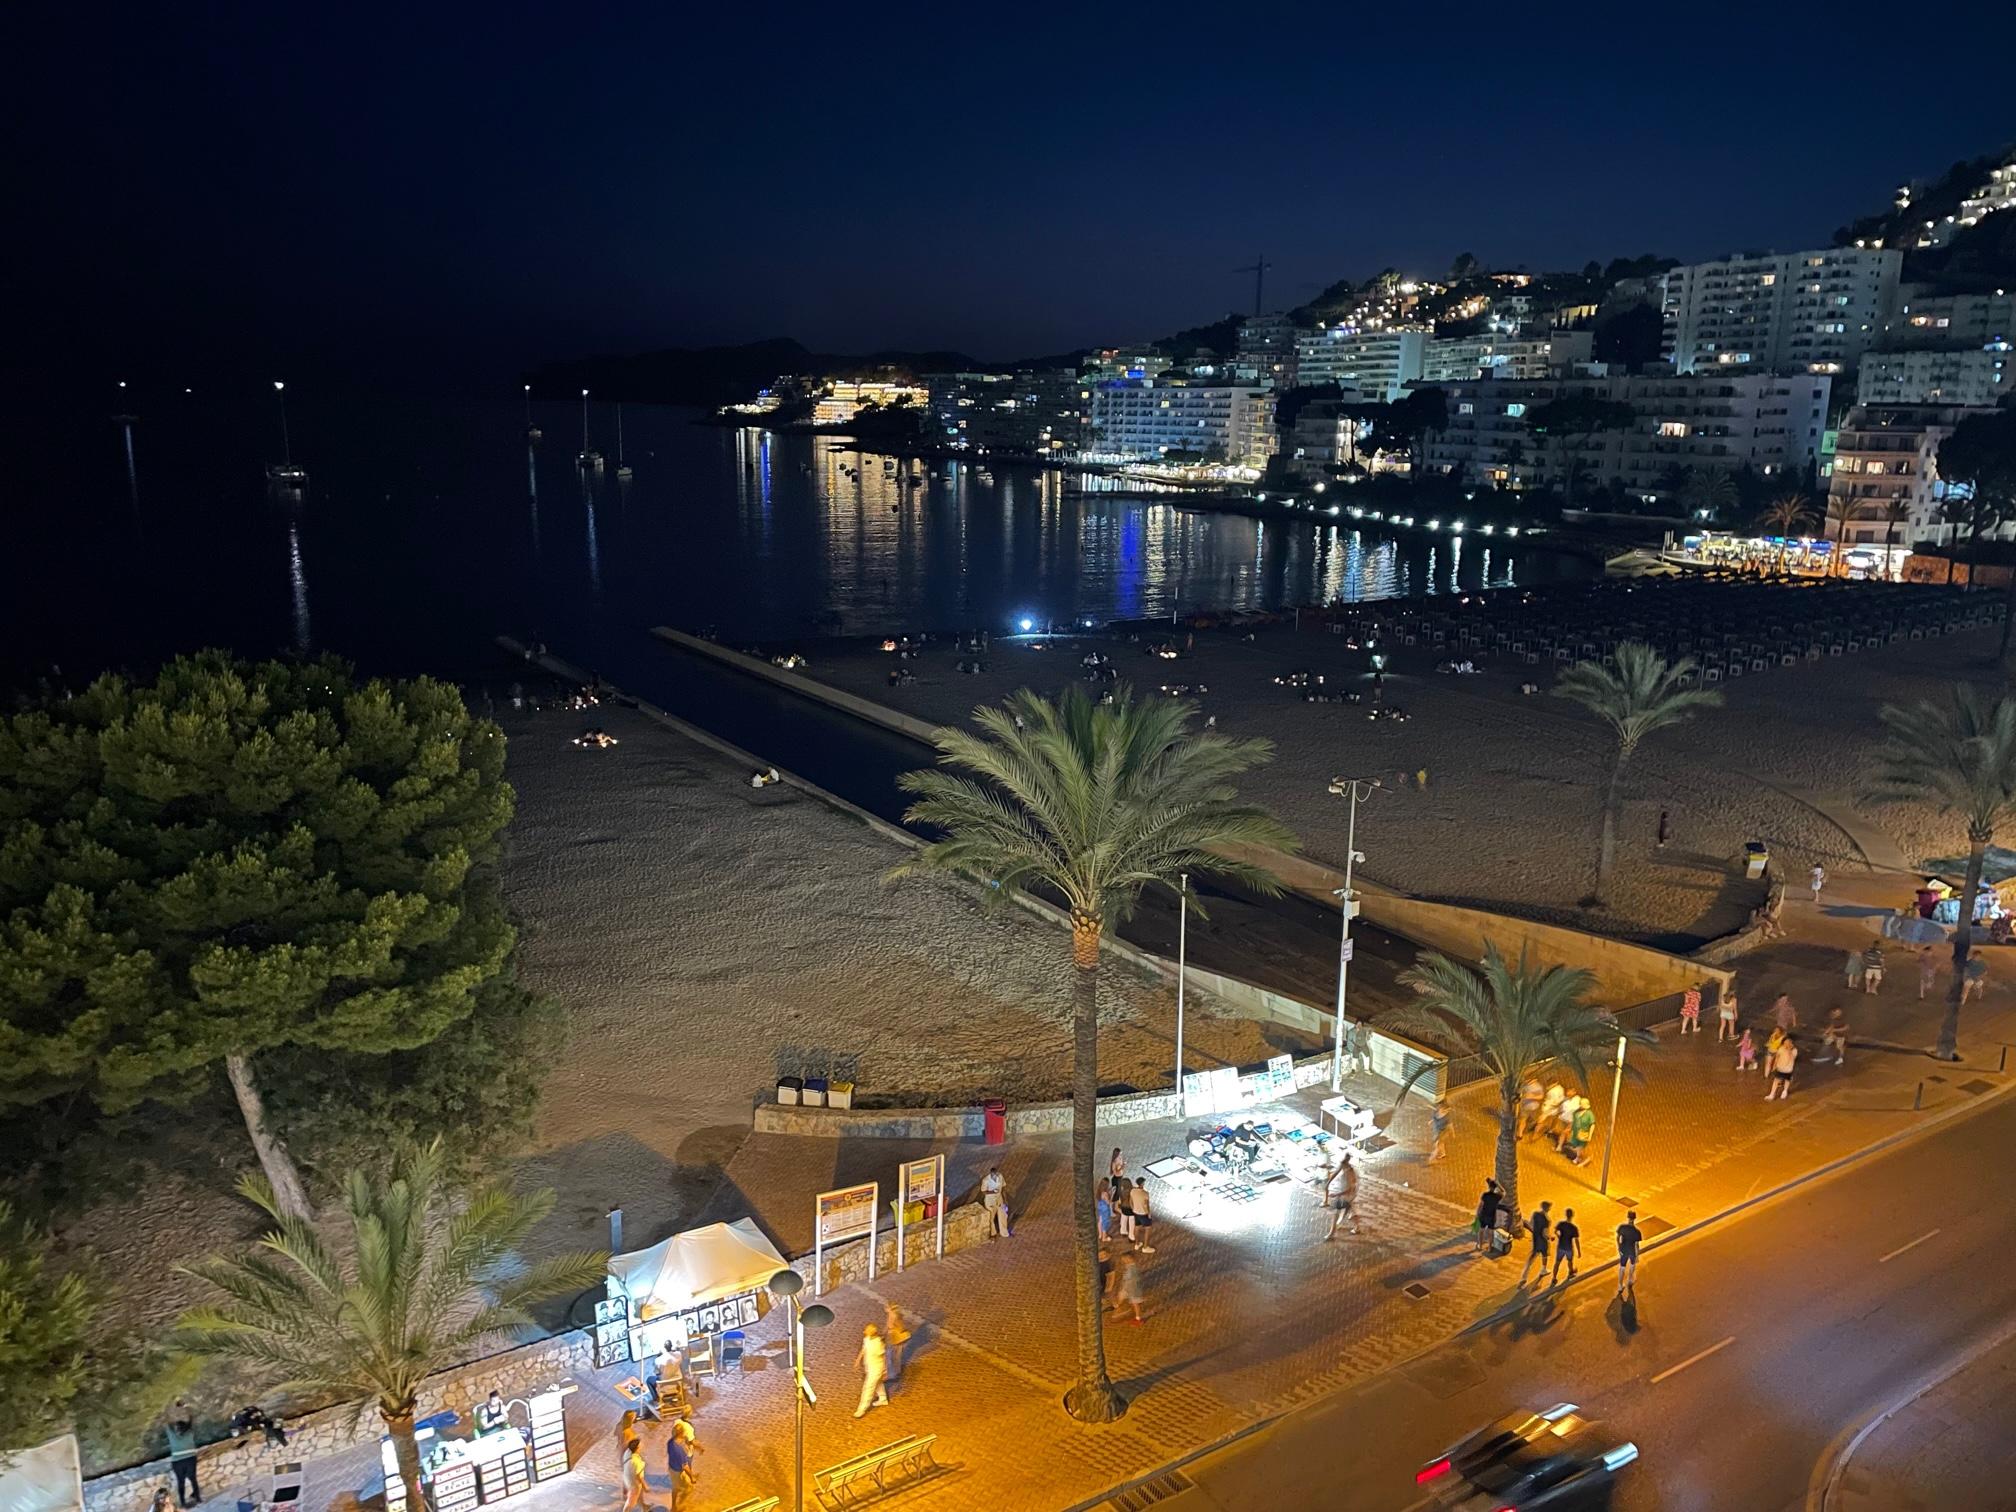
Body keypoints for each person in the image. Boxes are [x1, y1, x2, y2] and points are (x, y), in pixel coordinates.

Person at [165, 1406, 201, 1509]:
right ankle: (198, 1498)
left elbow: (168, 1425)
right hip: (190, 1459)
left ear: (177, 1429)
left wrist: (168, 1409)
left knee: (181, 1481)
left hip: (178, 1462)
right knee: (193, 1479)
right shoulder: (189, 1434)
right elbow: (191, 1422)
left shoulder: (173, 1437)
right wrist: (186, 1408)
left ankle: (183, 1502)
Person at [853, 1324, 889, 1418]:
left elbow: (883, 1356)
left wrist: (885, 1370)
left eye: (866, 1330)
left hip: (876, 1368)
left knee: (868, 1388)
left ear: (871, 1333)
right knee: (878, 1383)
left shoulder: (878, 1343)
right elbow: (864, 1349)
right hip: (869, 1366)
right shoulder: (867, 1338)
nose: (864, 1331)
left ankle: (861, 1409)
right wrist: (858, 1359)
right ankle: (883, 1398)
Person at [1517, 1201, 1554, 1287]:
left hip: (1535, 1239)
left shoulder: (1535, 1214)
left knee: (1531, 1259)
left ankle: (1524, 1277)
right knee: (1545, 1255)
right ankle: (1543, 1269)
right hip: (1543, 1241)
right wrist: (1550, 1237)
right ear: (1548, 1209)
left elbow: (1531, 1224)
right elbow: (1545, 1233)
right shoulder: (1547, 1220)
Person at [1323, 1153, 1359, 1240]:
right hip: (1344, 1195)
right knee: (1349, 1211)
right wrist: (1328, 1183)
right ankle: (1356, 1227)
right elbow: (1335, 1173)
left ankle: (1332, 1233)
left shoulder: (1350, 1172)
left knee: (1336, 1212)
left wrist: (1336, 1194)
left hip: (1346, 1195)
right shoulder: (1343, 1166)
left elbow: (1349, 1189)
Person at [664, 1422, 697, 1509]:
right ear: (681, 1434)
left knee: (676, 1487)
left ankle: (674, 1506)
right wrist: (692, 1477)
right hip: (678, 1472)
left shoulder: (670, 1442)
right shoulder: (679, 1451)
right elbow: (685, 1467)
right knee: (686, 1487)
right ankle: (677, 1504)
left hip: (671, 1468)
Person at [1111, 1251, 1147, 1324]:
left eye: (1124, 1259)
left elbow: (1134, 1281)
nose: (1123, 1261)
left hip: (1132, 1289)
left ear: (1129, 1259)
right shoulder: (1130, 1267)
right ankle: (1117, 1305)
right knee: (1121, 1296)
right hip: (1127, 1288)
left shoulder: (1132, 1270)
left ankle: (1138, 1318)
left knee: (1135, 1304)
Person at [1125, 1176, 1157, 1254]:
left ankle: (1137, 1244)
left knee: (1137, 1227)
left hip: (1136, 1212)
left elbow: (1130, 1202)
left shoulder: (1132, 1191)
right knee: (1148, 1229)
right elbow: (1147, 1205)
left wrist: (1133, 1209)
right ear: (1142, 1184)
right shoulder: (1145, 1194)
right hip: (1144, 1213)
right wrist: (1149, 1214)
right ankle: (1145, 1247)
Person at [1616, 1210, 1644, 1294]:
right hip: (1632, 1251)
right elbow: (1636, 1245)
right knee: (1632, 1265)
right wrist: (1637, 1256)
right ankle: (1630, 1280)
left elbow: (1618, 1237)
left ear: (1628, 1217)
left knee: (1622, 1267)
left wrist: (1619, 1247)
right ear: (1634, 1219)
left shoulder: (1622, 1227)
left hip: (1624, 1249)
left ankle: (1620, 1286)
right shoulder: (1637, 1232)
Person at [981, 1166, 1012, 1238]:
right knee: (991, 1217)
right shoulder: (986, 1180)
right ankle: (993, 1234)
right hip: (990, 1201)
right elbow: (983, 1191)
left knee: (1003, 1214)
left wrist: (1005, 1199)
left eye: (996, 1174)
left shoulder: (1000, 1177)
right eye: (993, 1174)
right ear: (991, 1174)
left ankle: (1004, 1232)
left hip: (999, 1199)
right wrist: (992, 1192)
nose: (995, 1175)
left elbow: (1003, 1187)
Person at [883, 1304, 912, 1383]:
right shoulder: (891, 1315)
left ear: (890, 1309)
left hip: (895, 1338)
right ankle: (894, 1372)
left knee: (892, 1355)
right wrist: (884, 1334)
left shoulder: (895, 1317)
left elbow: (900, 1328)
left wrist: (893, 1329)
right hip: (892, 1338)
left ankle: (892, 1374)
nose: (885, 1308)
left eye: (887, 1307)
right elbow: (887, 1326)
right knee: (892, 1355)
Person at [1552, 1208, 1582, 1284]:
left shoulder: (1561, 1224)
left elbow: (1555, 1231)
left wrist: (1559, 1237)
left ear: (1565, 1215)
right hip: (1569, 1247)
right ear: (1572, 1216)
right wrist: (1579, 1251)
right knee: (1570, 1261)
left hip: (1560, 1246)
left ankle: (1554, 1278)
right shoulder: (1574, 1227)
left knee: (1557, 1262)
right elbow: (1576, 1240)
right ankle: (1570, 1273)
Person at [1766, 1032, 1799, 1100]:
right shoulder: (1781, 1049)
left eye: (1789, 1042)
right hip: (1780, 1068)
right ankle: (1772, 1094)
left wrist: (1789, 1050)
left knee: (1787, 1080)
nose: (1787, 1044)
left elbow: (1792, 1058)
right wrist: (1774, 1066)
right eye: (1785, 1042)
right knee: (1776, 1081)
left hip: (1788, 1069)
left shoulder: (1794, 1050)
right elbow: (1777, 1057)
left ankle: (1785, 1091)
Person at [1475, 1178, 1502, 1255]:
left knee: (1481, 1231)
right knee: (1491, 1233)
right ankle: (1490, 1247)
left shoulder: (1485, 1195)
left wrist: (1477, 1214)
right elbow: (1504, 1192)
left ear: (1489, 1187)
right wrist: (1498, 1184)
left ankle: (1480, 1245)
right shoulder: (1497, 1197)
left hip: (1483, 1215)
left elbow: (1480, 1205)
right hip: (1492, 1216)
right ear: (1495, 1188)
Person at [1565, 1101, 1596, 1167]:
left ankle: (1583, 1159)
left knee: (1581, 1147)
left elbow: (1592, 1125)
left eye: (1582, 1104)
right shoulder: (1576, 1113)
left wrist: (1590, 1135)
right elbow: (1574, 1122)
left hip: (1584, 1133)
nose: (1581, 1105)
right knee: (1576, 1146)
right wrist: (1570, 1130)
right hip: (1576, 1133)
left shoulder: (1589, 1114)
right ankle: (1579, 1158)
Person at [620, 1436, 647, 1512]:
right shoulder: (636, 1462)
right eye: (640, 1445)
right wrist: (645, 1486)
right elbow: (639, 1476)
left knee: (636, 1496)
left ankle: (644, 1507)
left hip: (627, 1478)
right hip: (634, 1483)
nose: (642, 1446)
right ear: (637, 1448)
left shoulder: (628, 1452)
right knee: (630, 1502)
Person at [1113, 1177, 1137, 1244]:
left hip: (1123, 1207)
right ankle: (1131, 1236)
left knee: (1124, 1218)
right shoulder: (1132, 1191)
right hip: (1130, 1208)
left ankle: (1123, 1231)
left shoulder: (1121, 1191)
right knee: (1132, 1221)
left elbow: (1119, 1200)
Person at [1429, 1097, 1451, 1163]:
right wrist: (1431, 1121)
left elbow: (1449, 1125)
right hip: (1437, 1130)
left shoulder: (1446, 1118)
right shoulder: (1437, 1111)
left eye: (1440, 1107)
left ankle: (1432, 1157)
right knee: (1440, 1143)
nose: (1439, 1108)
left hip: (1443, 1131)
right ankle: (1443, 1153)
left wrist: (1452, 1132)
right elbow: (1435, 1117)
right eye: (1439, 1106)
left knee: (1437, 1143)